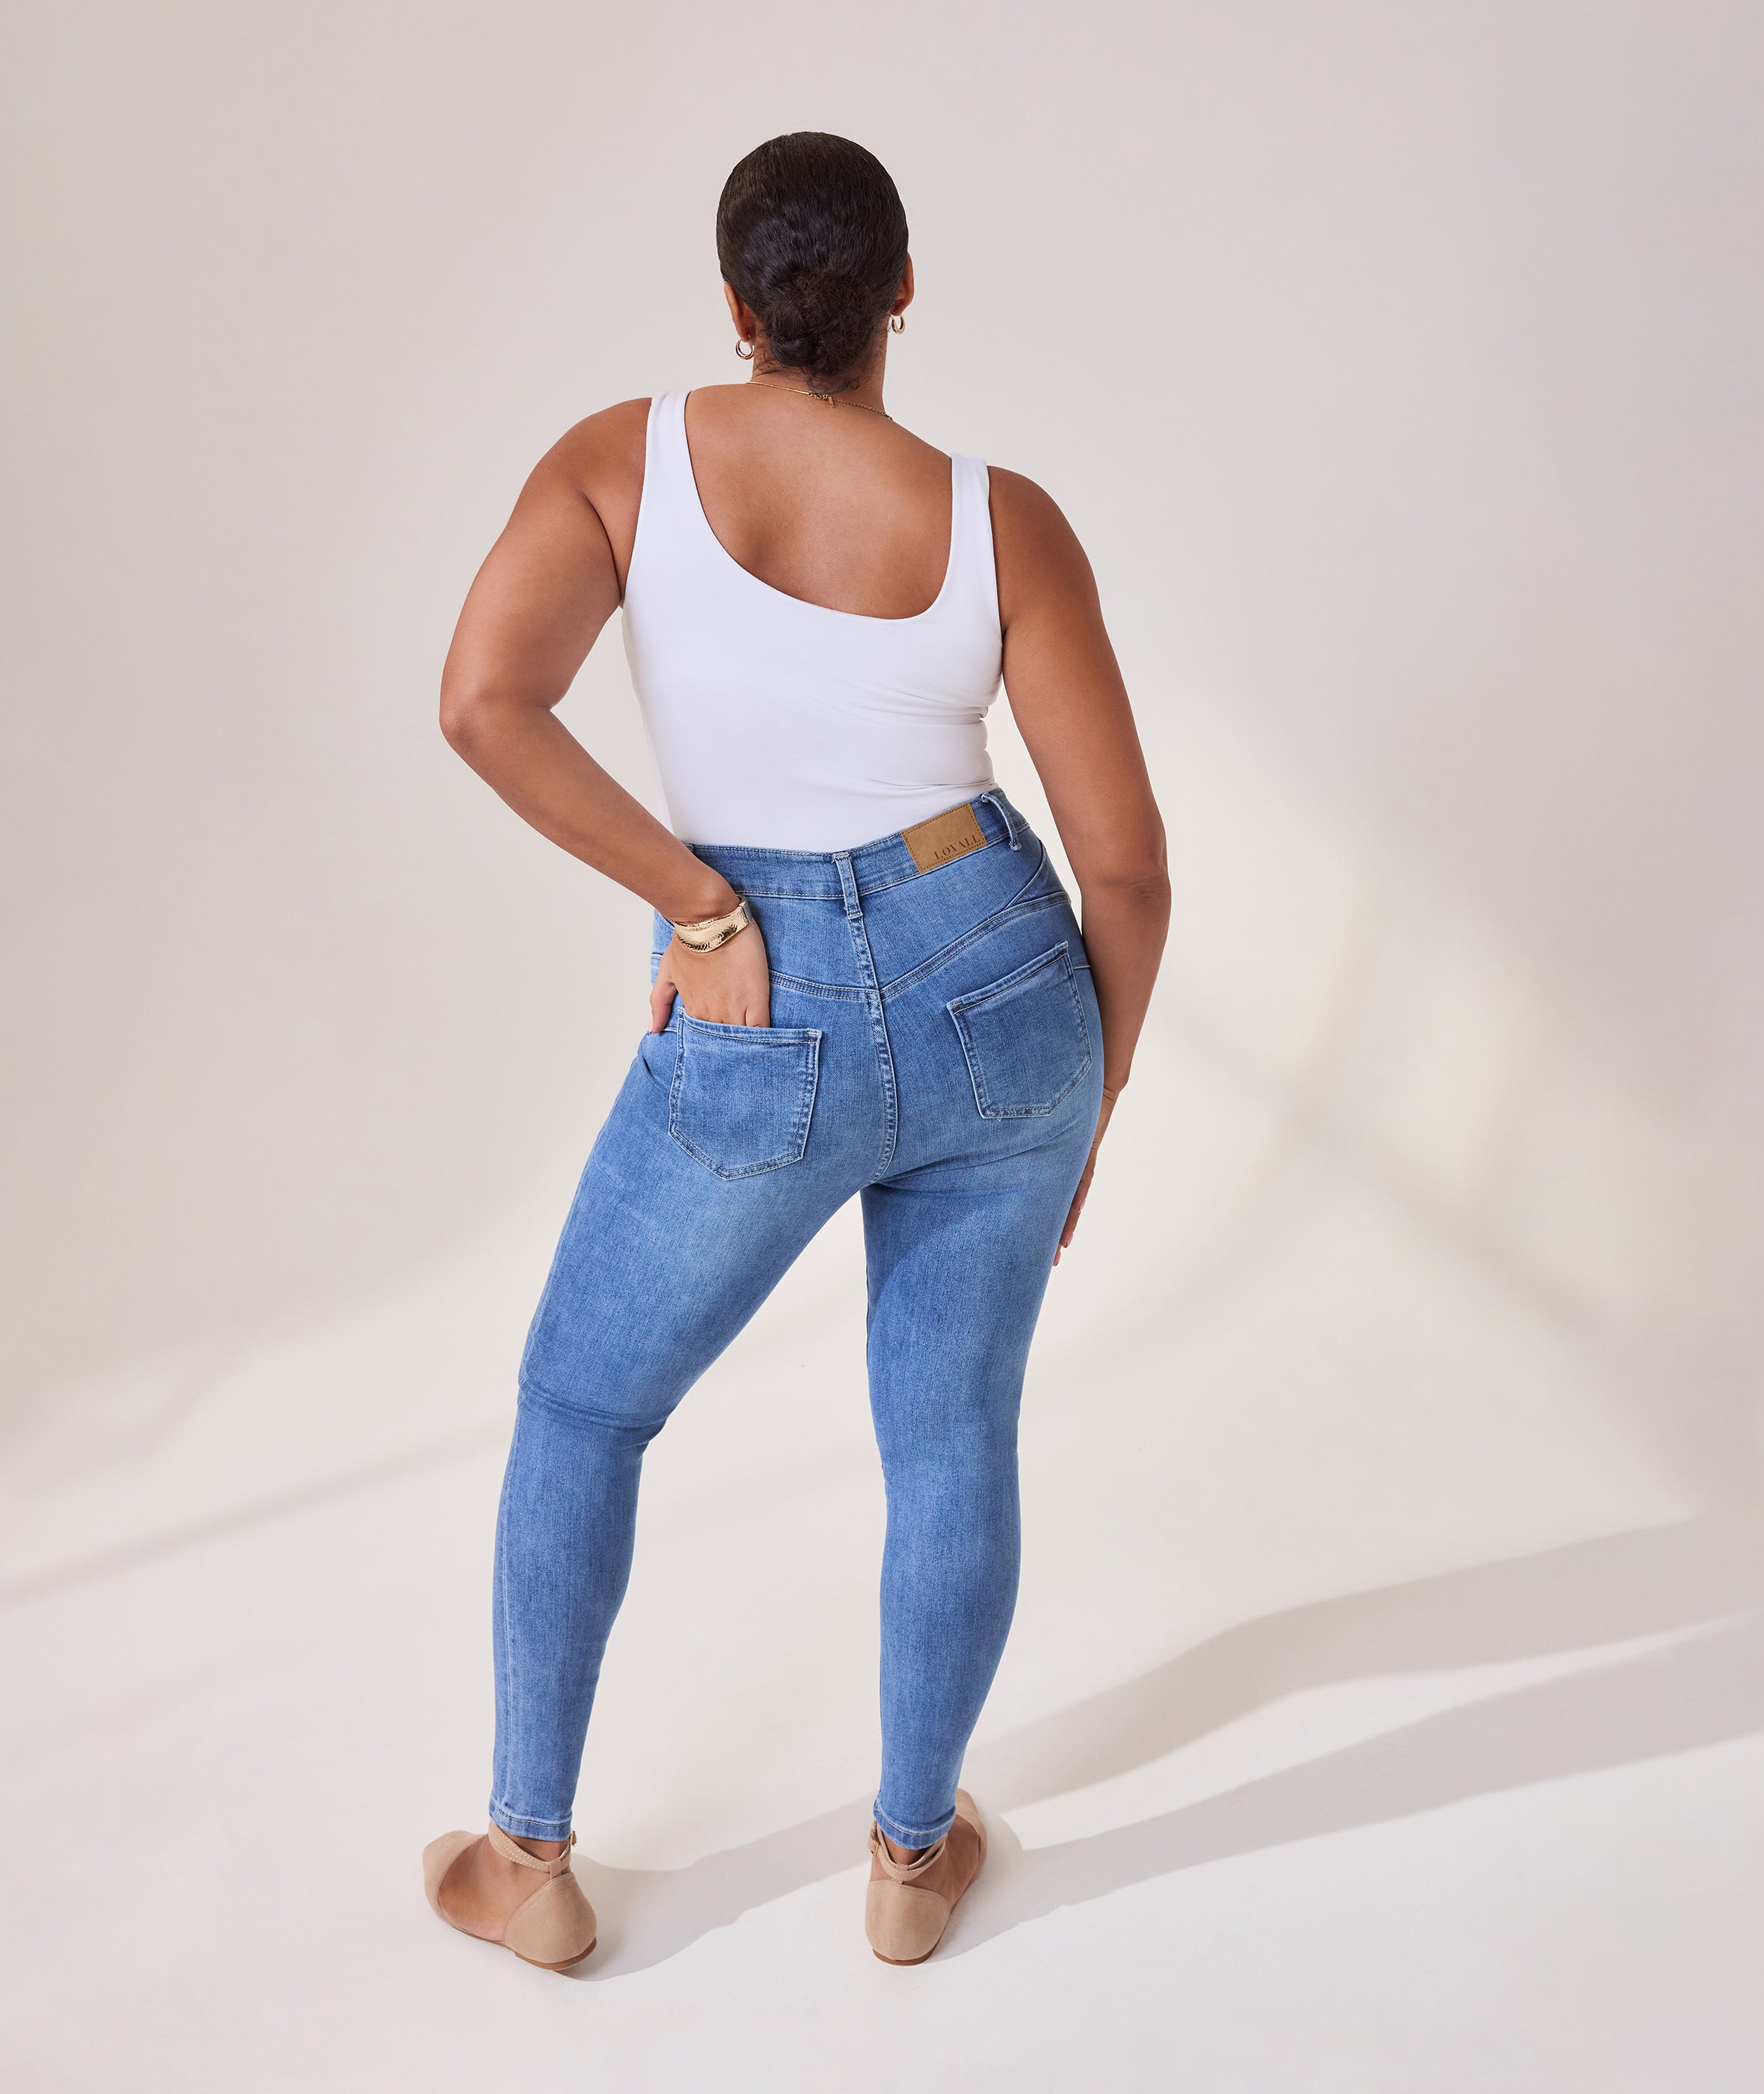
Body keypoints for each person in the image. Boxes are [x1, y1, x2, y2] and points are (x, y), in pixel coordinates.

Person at [423, 132, 1170, 1971]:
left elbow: (483, 702)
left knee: (584, 1406)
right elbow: (1127, 870)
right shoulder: (1003, 519)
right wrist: (1086, 1101)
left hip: (760, 1001)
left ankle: (528, 1861)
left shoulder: (618, 462)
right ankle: (912, 1861)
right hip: (1000, 968)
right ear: (901, 292)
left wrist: (699, 907)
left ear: (735, 307)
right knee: (949, 1433)